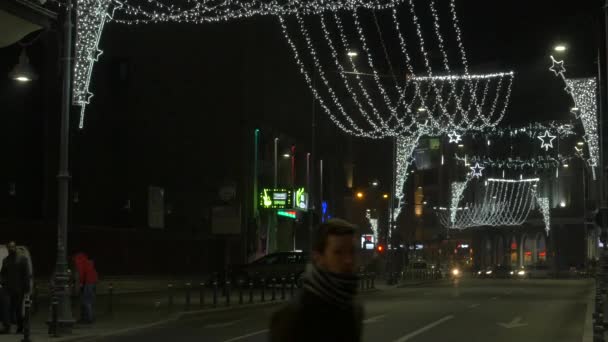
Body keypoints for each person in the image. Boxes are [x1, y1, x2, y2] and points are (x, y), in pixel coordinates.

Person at [269, 218, 363, 342]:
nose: (348, 260)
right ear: (318, 257)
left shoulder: (353, 309)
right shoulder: (293, 316)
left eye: (352, 251)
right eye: (338, 252)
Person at [0, 242, 30, 334]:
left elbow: (26, 275)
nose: (11, 249)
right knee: (6, 308)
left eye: (12, 247)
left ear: (15, 247)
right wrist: (2, 281)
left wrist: (26, 289)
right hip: (7, 289)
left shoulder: (22, 259)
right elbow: (2, 273)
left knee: (18, 310)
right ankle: (7, 327)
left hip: (18, 289)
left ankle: (20, 327)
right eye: (9, 247)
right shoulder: (6, 260)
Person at [73, 253, 98, 324]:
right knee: (90, 300)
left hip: (88, 282)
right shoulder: (87, 261)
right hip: (93, 281)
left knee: (86, 301)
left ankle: (89, 319)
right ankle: (88, 317)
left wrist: (80, 283)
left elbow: (81, 273)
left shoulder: (79, 261)